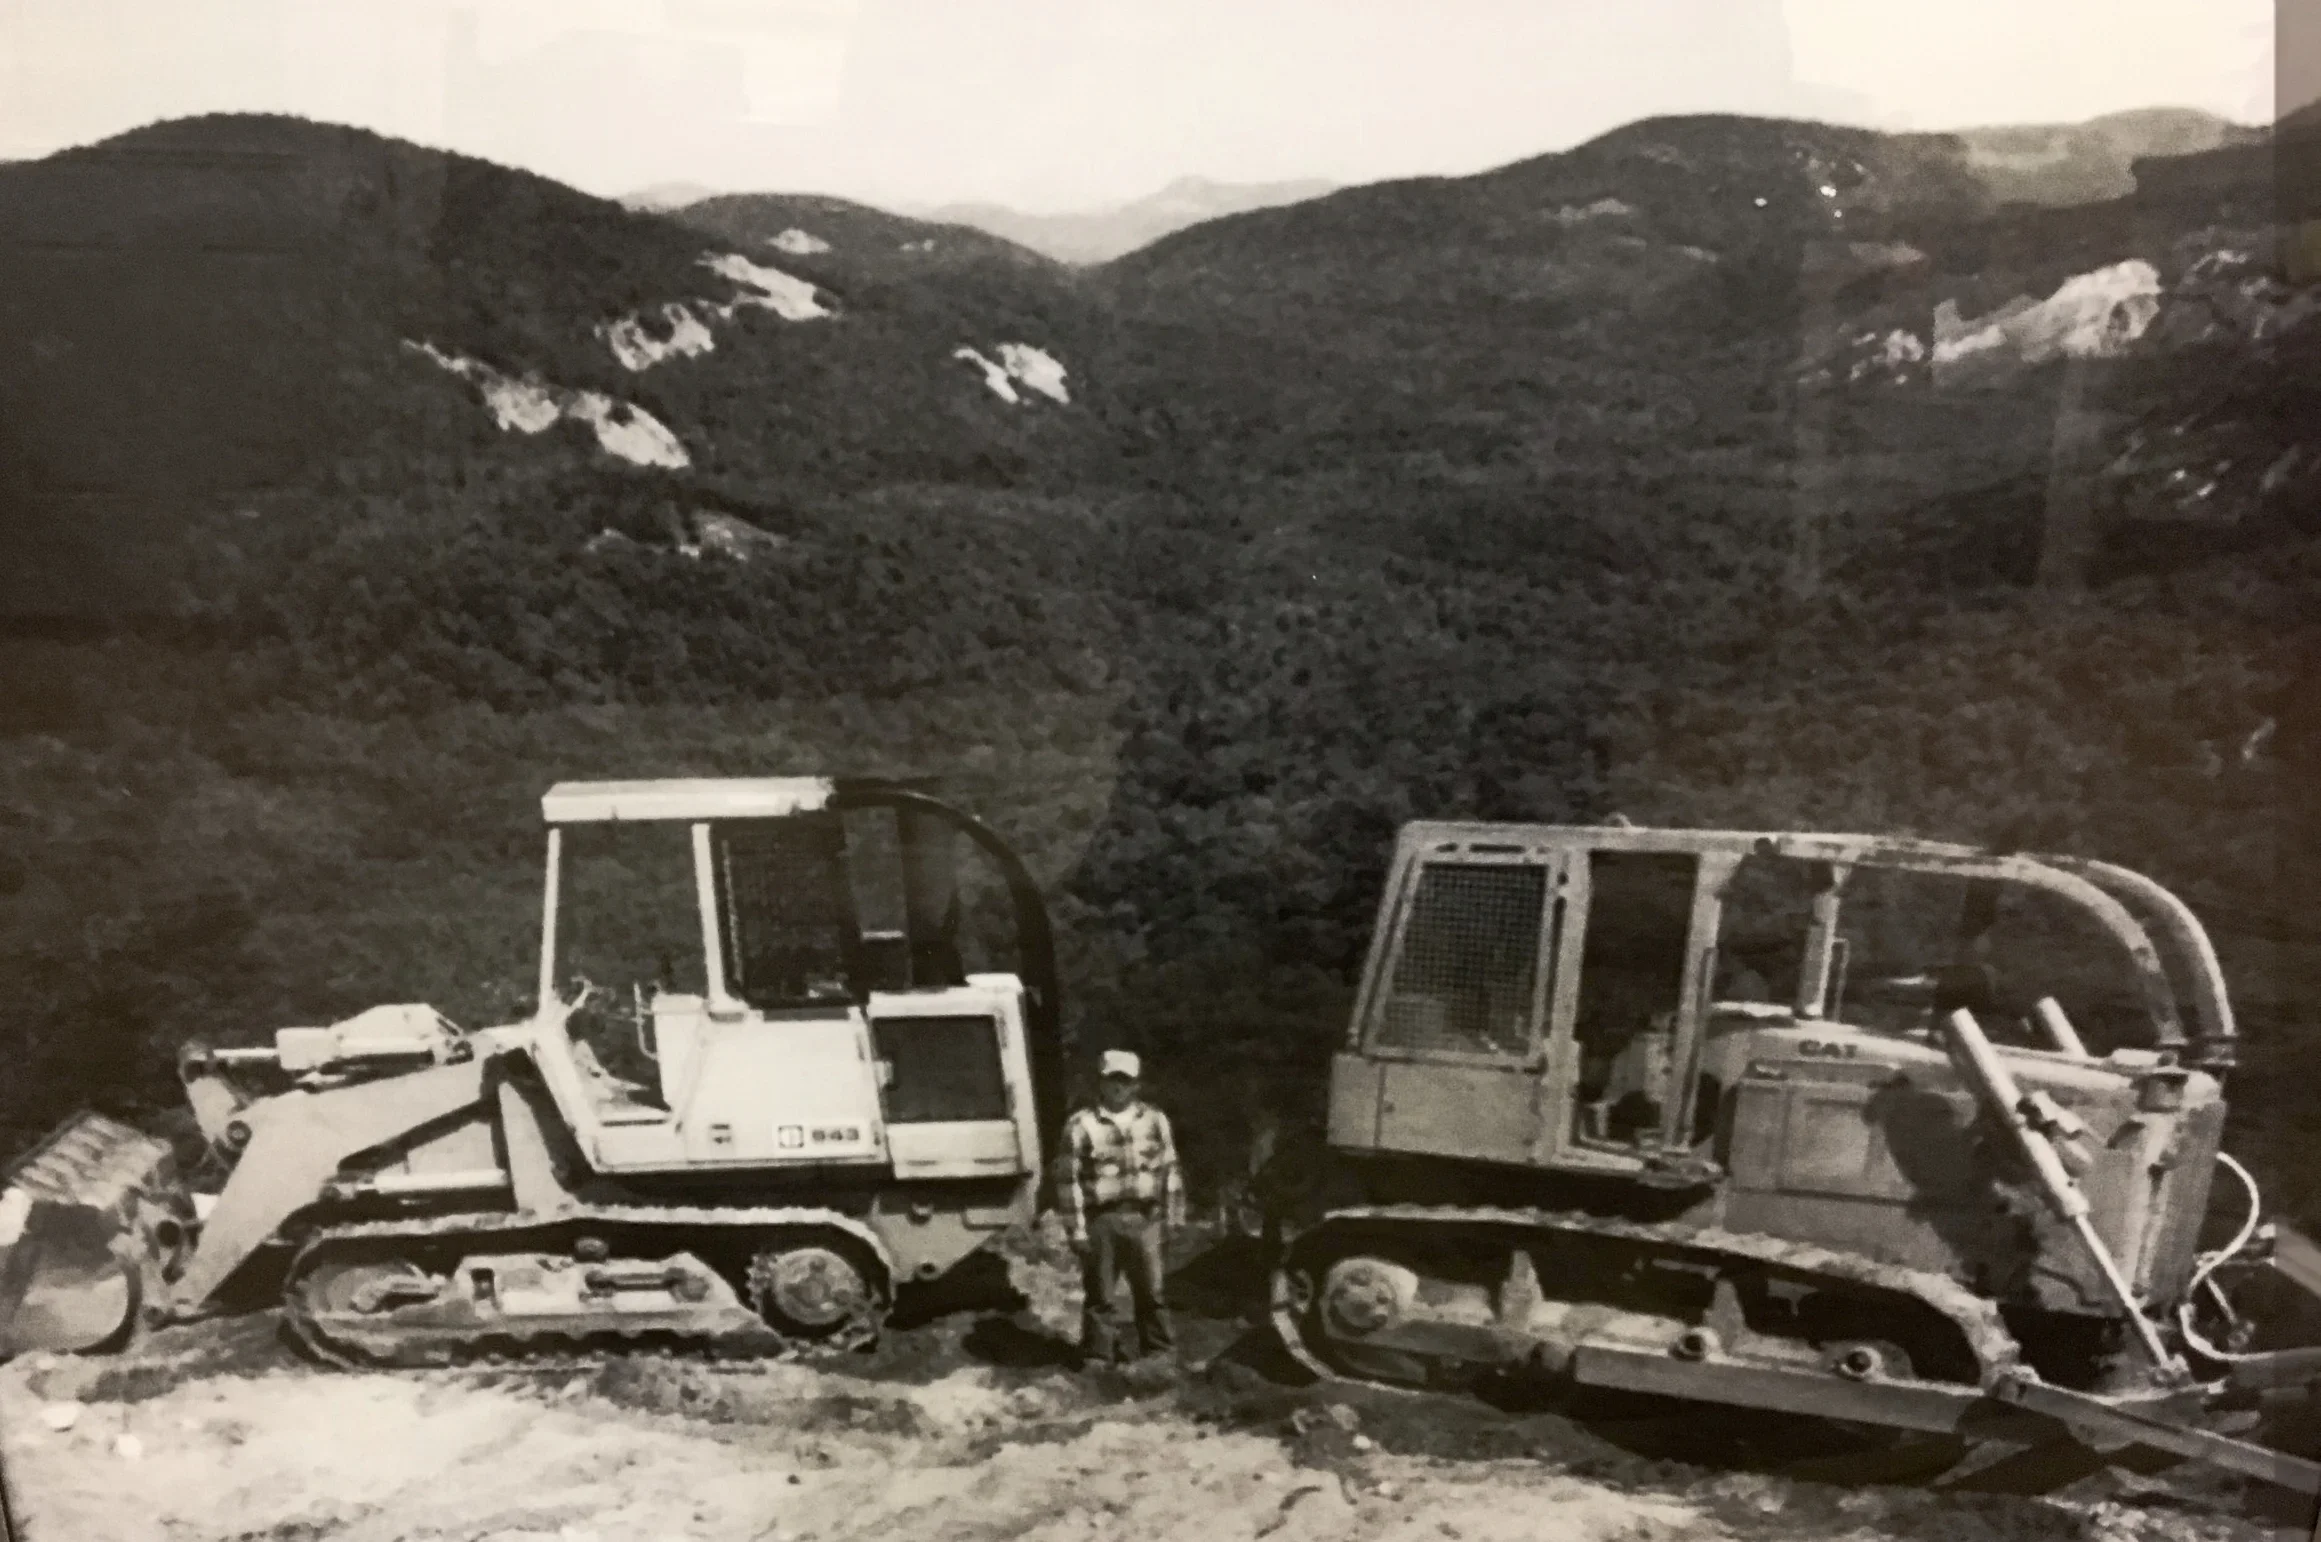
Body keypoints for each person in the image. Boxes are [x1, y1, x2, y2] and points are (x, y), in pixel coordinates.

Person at [1056, 1049, 1184, 1367]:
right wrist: (1076, 1230)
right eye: (1112, 1080)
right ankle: (1098, 1357)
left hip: (1146, 1218)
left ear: (1136, 1085)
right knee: (1101, 1294)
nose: (1118, 1088)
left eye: (1125, 1081)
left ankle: (1158, 1355)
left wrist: (1174, 1217)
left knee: (1152, 1292)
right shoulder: (1081, 1125)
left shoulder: (1155, 1121)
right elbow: (1067, 1180)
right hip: (1103, 1220)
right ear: (1100, 1083)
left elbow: (1170, 1171)